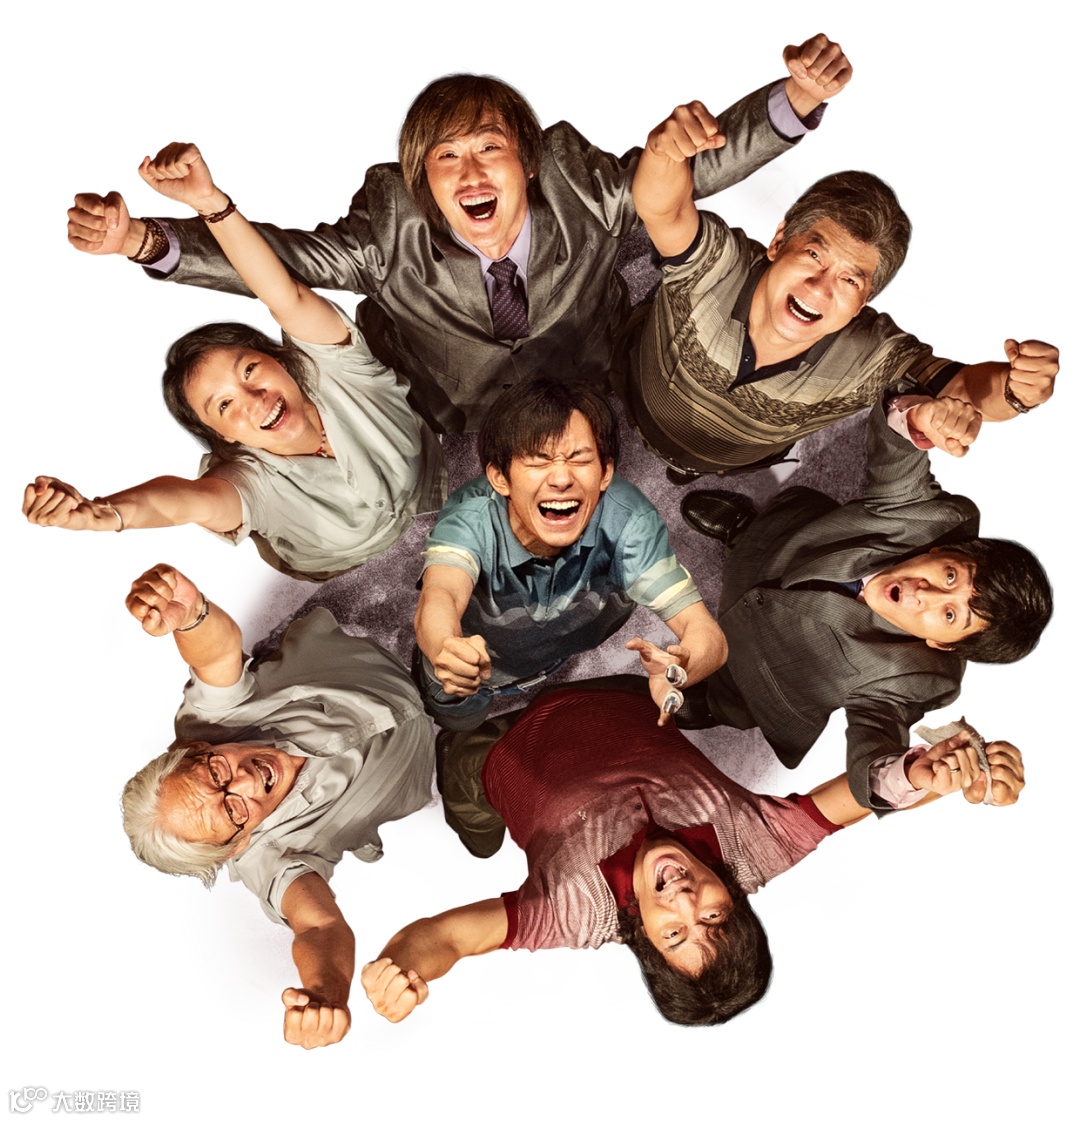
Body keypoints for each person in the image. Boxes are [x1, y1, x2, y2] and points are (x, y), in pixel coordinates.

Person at [66, 36, 852, 433]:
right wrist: (144, 241)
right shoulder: (388, 234)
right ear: (422, 179)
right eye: (445, 158)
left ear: (528, 162)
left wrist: (795, 100)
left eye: (488, 149)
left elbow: (692, 167)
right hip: (456, 409)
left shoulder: (582, 190)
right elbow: (278, 261)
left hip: (587, 374)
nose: (470, 172)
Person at [360, 685, 1024, 1026]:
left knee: (470, 812)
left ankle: (472, 810)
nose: (683, 900)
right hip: (619, 693)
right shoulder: (756, 848)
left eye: (675, 932)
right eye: (713, 916)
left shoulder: (575, 913)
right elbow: (863, 797)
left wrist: (402, 968)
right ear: (736, 898)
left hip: (494, 744)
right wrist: (940, 775)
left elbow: (449, 937)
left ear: (644, 938)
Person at [27, 144, 445, 581]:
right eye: (224, 406)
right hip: (358, 581)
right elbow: (187, 502)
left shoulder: (340, 368)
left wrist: (211, 203)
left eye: (249, 371)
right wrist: (105, 513)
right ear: (222, 435)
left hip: (450, 505)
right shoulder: (252, 480)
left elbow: (283, 294)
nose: (254, 399)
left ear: (280, 360)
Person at [622, 100, 1060, 505]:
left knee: (696, 463)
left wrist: (1016, 391)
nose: (819, 288)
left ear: (864, 299)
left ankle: (688, 468)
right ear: (778, 241)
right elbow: (665, 210)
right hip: (631, 386)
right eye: (814, 255)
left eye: (850, 279)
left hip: (736, 457)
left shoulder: (872, 353)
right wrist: (663, 153)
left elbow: (959, 388)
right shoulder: (717, 263)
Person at [675, 396, 1052, 811]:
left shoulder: (916, 679)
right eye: (950, 576)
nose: (923, 593)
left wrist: (914, 776)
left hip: (762, 674)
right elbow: (897, 448)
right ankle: (742, 530)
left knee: (734, 699)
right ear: (948, 549)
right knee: (759, 541)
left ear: (943, 645)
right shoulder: (930, 518)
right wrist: (921, 418)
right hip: (778, 546)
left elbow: (873, 761)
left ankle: (717, 705)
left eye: (949, 615)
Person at [120, 563, 435, 1048]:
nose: (246, 780)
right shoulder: (266, 862)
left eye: (216, 773)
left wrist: (192, 614)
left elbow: (215, 654)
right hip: (426, 746)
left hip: (371, 642)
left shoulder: (209, 724)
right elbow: (319, 925)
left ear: (196, 749)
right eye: (232, 812)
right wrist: (326, 992)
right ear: (236, 846)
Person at [413, 378, 727, 729]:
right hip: (474, 673)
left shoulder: (630, 522)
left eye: (580, 459)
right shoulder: (469, 520)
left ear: (605, 473)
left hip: (558, 652)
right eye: (539, 461)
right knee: (459, 720)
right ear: (500, 477)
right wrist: (445, 648)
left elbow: (705, 633)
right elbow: (440, 594)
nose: (561, 479)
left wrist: (680, 671)